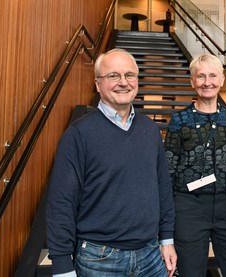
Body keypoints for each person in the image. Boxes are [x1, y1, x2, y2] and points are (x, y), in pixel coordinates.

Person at [46, 48, 177, 277]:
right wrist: (62, 266)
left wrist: (167, 239)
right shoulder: (78, 134)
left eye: (130, 75)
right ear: (98, 84)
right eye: (113, 76)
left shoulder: (150, 129)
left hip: (150, 255)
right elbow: (61, 202)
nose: (123, 82)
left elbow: (162, 187)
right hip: (99, 259)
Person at [164, 53, 226, 277]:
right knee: (190, 272)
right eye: (201, 76)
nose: (207, 82)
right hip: (188, 207)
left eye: (213, 76)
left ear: (222, 80)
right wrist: (166, 222)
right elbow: (168, 170)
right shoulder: (179, 120)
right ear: (192, 81)